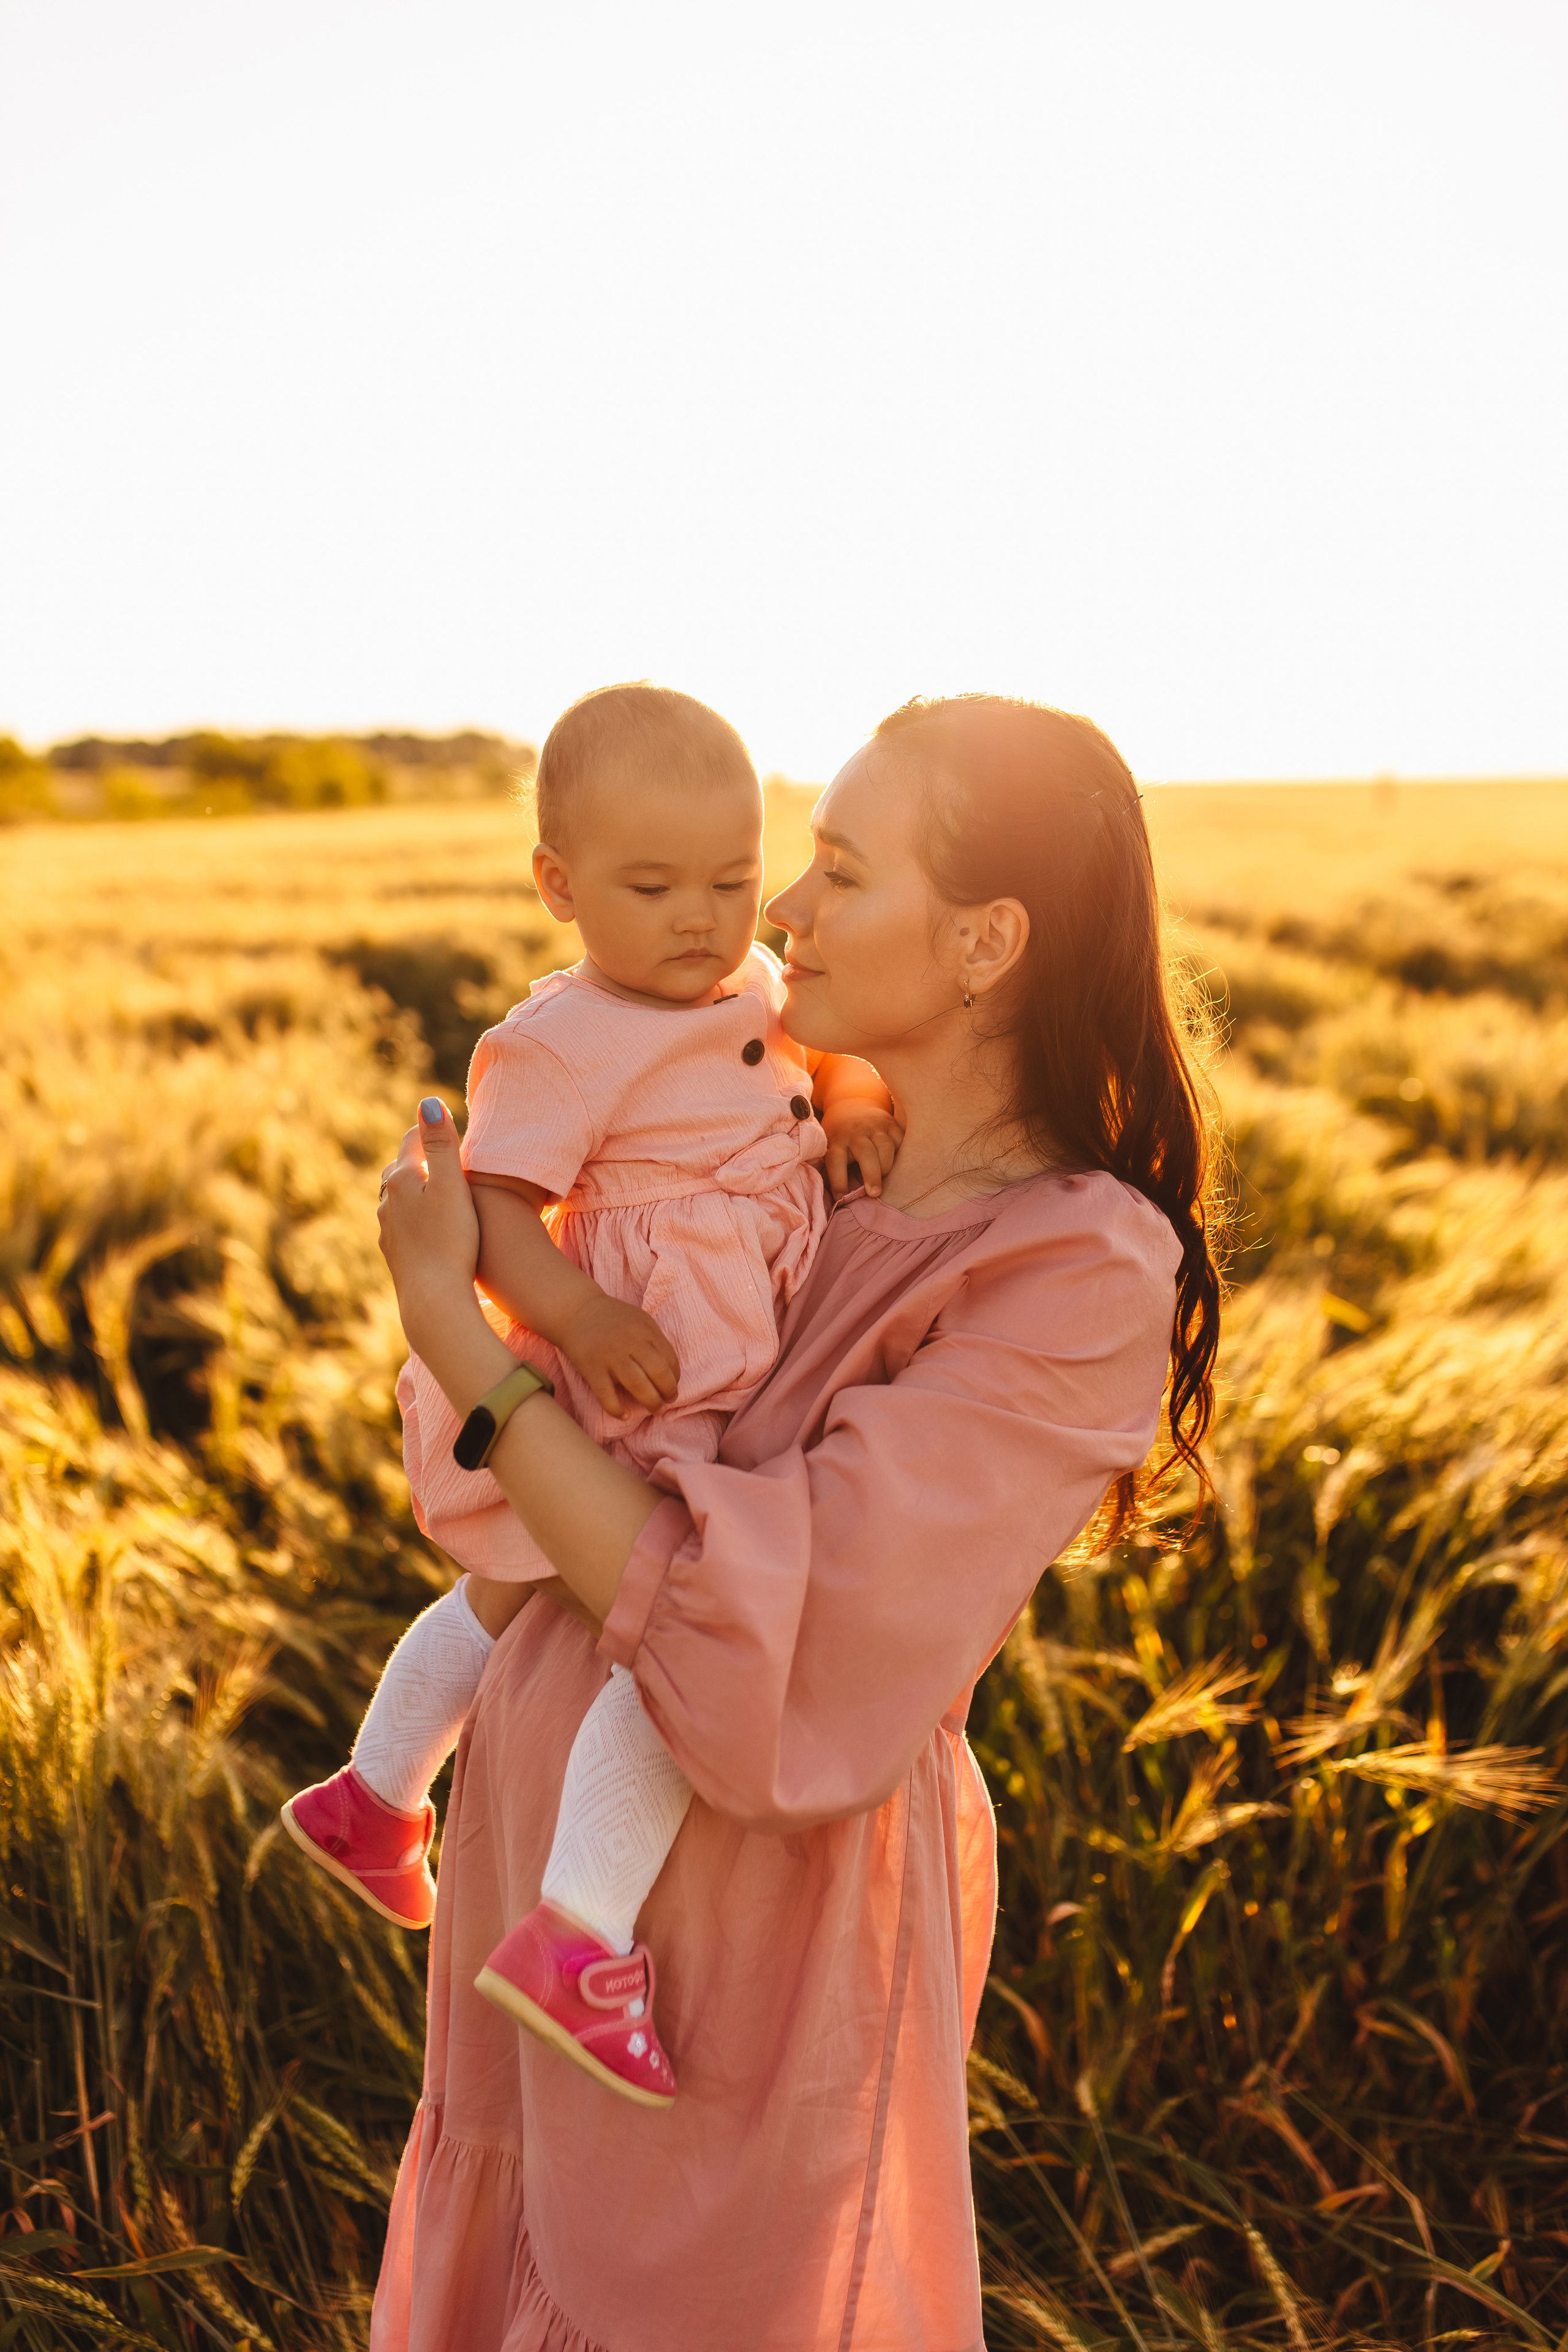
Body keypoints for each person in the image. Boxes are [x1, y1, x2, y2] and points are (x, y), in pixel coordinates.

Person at [369, 695, 1223, 2352]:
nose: (776, 914)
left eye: (836, 870)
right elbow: (509, 1499)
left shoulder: (1068, 1269)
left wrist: (462, 1342)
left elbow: (766, 1625)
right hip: (541, 1891)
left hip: (744, 1951)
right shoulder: (791, 1157)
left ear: (985, 941)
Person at [281, 685, 899, 2104]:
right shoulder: (557, 1040)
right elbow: (489, 1215)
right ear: (556, 888)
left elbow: (829, 1057)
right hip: (645, 1364)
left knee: (508, 1600)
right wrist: (578, 1310)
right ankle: (580, 1932)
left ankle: (373, 1800)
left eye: (734, 880)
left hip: (723, 1343)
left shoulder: (753, 986)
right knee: (682, 1628)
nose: (704, 915)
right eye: (652, 885)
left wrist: (856, 1109)